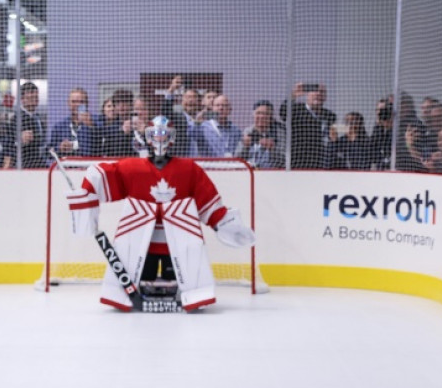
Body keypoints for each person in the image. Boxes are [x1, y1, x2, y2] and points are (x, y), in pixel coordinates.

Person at [66, 115, 255, 311]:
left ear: (172, 138)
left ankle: (191, 292)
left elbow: (208, 202)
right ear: (147, 137)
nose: (159, 139)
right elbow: (98, 174)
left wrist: (223, 223)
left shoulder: (188, 169)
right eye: (154, 134)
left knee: (174, 279)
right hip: (140, 246)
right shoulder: (132, 168)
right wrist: (84, 198)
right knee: (144, 277)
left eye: (164, 134)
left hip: (177, 247)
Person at [49, 87, 100, 157]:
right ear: (68, 103)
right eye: (74, 101)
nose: (77, 105)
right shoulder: (59, 127)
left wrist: (91, 126)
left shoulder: (97, 122)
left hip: (90, 166)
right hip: (65, 167)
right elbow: (48, 152)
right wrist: (60, 148)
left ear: (87, 104)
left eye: (81, 102)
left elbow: (102, 146)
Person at [235, 99, 285, 168]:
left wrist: (272, 149)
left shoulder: (279, 132)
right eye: (258, 113)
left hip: (272, 172)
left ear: (271, 116)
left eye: (265, 114)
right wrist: (245, 147)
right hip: (250, 171)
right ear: (253, 114)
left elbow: (285, 160)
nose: (261, 116)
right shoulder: (248, 131)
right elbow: (237, 158)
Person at [10, 81, 46, 168]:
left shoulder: (39, 118)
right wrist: (19, 140)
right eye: (31, 97)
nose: (34, 100)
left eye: (36, 97)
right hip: (24, 164)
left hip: (39, 163)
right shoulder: (16, 119)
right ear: (22, 99)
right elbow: (10, 141)